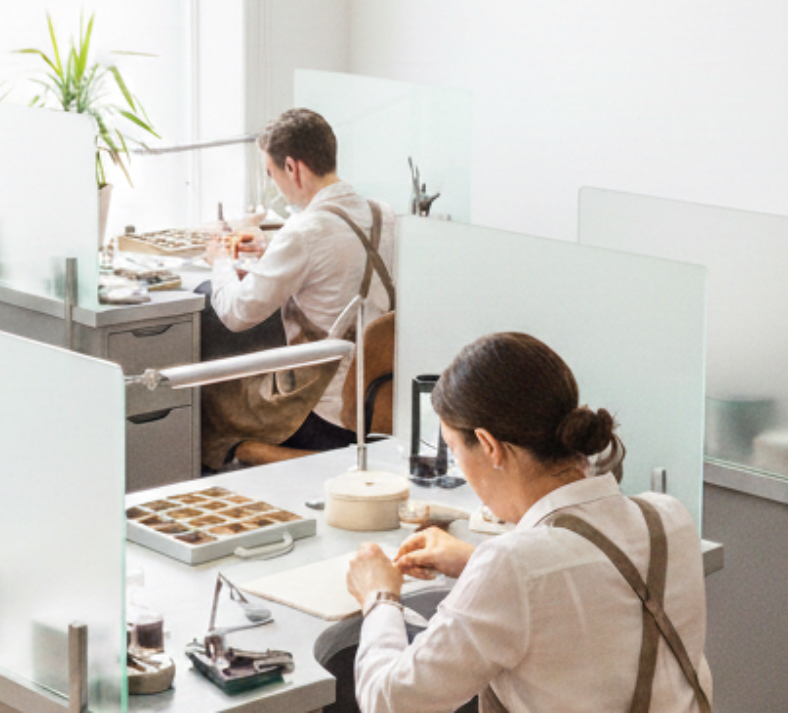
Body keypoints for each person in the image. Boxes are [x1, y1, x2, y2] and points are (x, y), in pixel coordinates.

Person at [339, 333, 713, 713]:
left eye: (453, 449)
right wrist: (475, 562)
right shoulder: (669, 518)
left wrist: (379, 595)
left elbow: (389, 701)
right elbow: (594, 597)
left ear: (489, 446)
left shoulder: (511, 567)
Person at [198, 108, 397, 469]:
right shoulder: (385, 214)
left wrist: (221, 260)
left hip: (328, 412)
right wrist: (271, 251)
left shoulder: (304, 232)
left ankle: (246, 455)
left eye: (270, 173)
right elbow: (340, 260)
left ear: (292, 167)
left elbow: (236, 314)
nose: (274, 183)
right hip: (382, 403)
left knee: (214, 396)